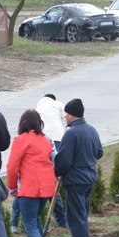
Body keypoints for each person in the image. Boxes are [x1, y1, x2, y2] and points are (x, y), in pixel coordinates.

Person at [53, 99, 103, 237]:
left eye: (66, 114)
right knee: (81, 215)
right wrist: (86, 160)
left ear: (72, 115)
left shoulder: (71, 133)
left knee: (76, 218)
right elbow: (99, 152)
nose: (64, 117)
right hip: (89, 178)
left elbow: (64, 161)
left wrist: (58, 171)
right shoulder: (92, 130)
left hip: (76, 180)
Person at [6, 109, 56, 237]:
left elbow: (12, 166)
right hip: (47, 186)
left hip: (30, 186)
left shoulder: (21, 140)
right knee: (36, 220)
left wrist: (12, 187)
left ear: (23, 123)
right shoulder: (46, 140)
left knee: (29, 223)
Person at [35, 93, 68, 229]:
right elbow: (65, 118)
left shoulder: (38, 106)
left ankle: (14, 223)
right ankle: (62, 220)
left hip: (42, 138)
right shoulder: (58, 104)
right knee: (53, 180)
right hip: (58, 138)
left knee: (48, 179)